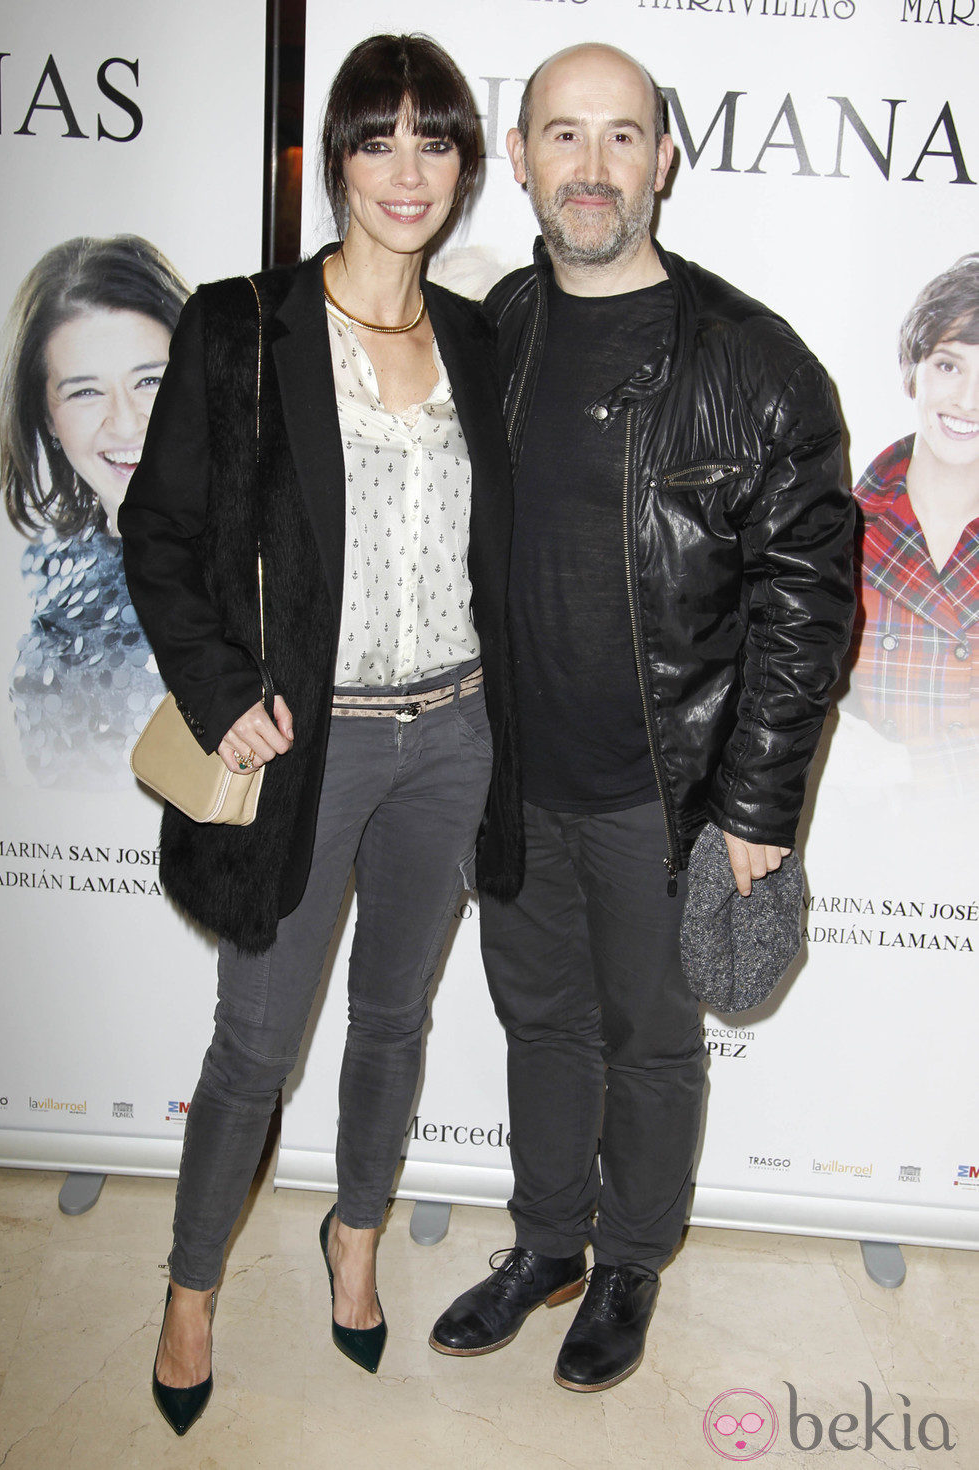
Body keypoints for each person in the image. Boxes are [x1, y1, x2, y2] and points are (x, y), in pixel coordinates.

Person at [429, 43, 855, 1393]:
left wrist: (757, 806)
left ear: (665, 160)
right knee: (538, 1021)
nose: (594, 167)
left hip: (665, 794)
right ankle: (550, 1239)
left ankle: (630, 1263)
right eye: (565, 135)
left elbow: (811, 604)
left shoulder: (754, 360)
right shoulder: (494, 325)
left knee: (653, 1040)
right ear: (524, 157)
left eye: (623, 138)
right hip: (513, 778)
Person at [119, 34, 522, 1433]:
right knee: (253, 1048)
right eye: (377, 139)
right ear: (334, 159)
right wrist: (224, 687)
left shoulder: (480, 335)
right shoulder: (243, 325)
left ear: (465, 165)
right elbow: (160, 531)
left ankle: (356, 1232)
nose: (408, 171)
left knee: (397, 1014)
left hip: (454, 736)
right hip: (306, 746)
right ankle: (189, 1284)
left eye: (435, 140)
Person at [0, 236, 187, 788]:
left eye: (150, 380)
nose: (126, 423)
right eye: (85, 393)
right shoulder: (47, 581)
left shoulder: (275, 545)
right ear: (47, 419)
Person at [849, 253, 979, 787]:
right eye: (949, 365)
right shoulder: (833, 527)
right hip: (857, 837)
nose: (968, 400)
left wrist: (916, 767)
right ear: (912, 374)